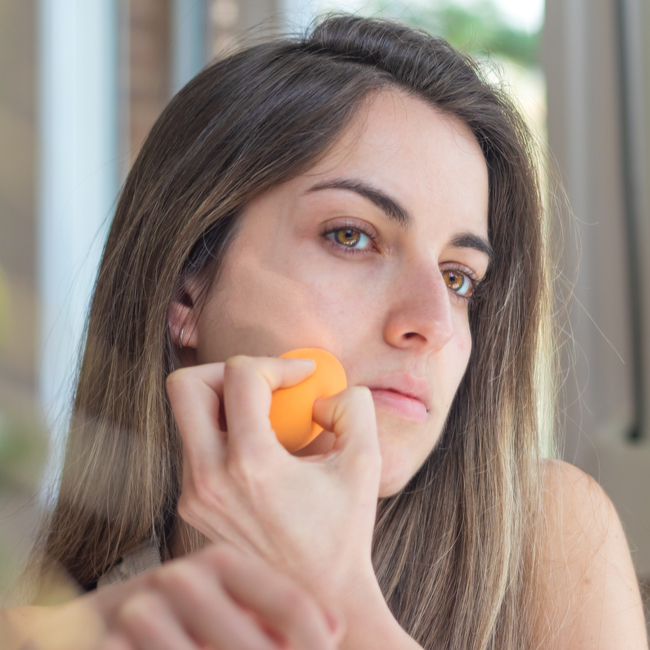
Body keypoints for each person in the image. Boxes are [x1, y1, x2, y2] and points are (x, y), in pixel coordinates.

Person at [1, 14, 647, 650]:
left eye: (458, 278)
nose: (431, 323)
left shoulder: (548, 537)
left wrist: (337, 593)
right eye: (351, 236)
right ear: (184, 289)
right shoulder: (65, 628)